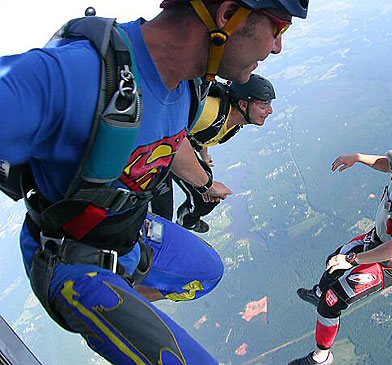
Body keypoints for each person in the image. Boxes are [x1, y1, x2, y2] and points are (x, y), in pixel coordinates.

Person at [0, 0, 308, 364]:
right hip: (70, 257)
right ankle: (105, 295)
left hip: (129, 229)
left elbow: (170, 140)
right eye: (278, 28)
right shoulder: (74, 75)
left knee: (207, 272)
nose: (277, 46)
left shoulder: (188, 87)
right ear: (227, 15)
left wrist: (204, 182)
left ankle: (125, 285)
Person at [289, 118, 392, 365]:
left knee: (331, 303)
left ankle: (320, 358)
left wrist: (352, 260)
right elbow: (388, 162)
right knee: (332, 262)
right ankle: (319, 291)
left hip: (391, 261)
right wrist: (356, 157)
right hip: (377, 239)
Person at [150, 74, 276, 232]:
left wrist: (204, 155)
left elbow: (197, 130)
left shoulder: (233, 121)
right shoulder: (211, 111)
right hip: (155, 149)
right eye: (264, 105)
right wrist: (207, 185)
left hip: (175, 146)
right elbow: (170, 135)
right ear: (243, 104)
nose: (270, 110)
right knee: (161, 217)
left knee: (207, 199)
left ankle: (187, 220)